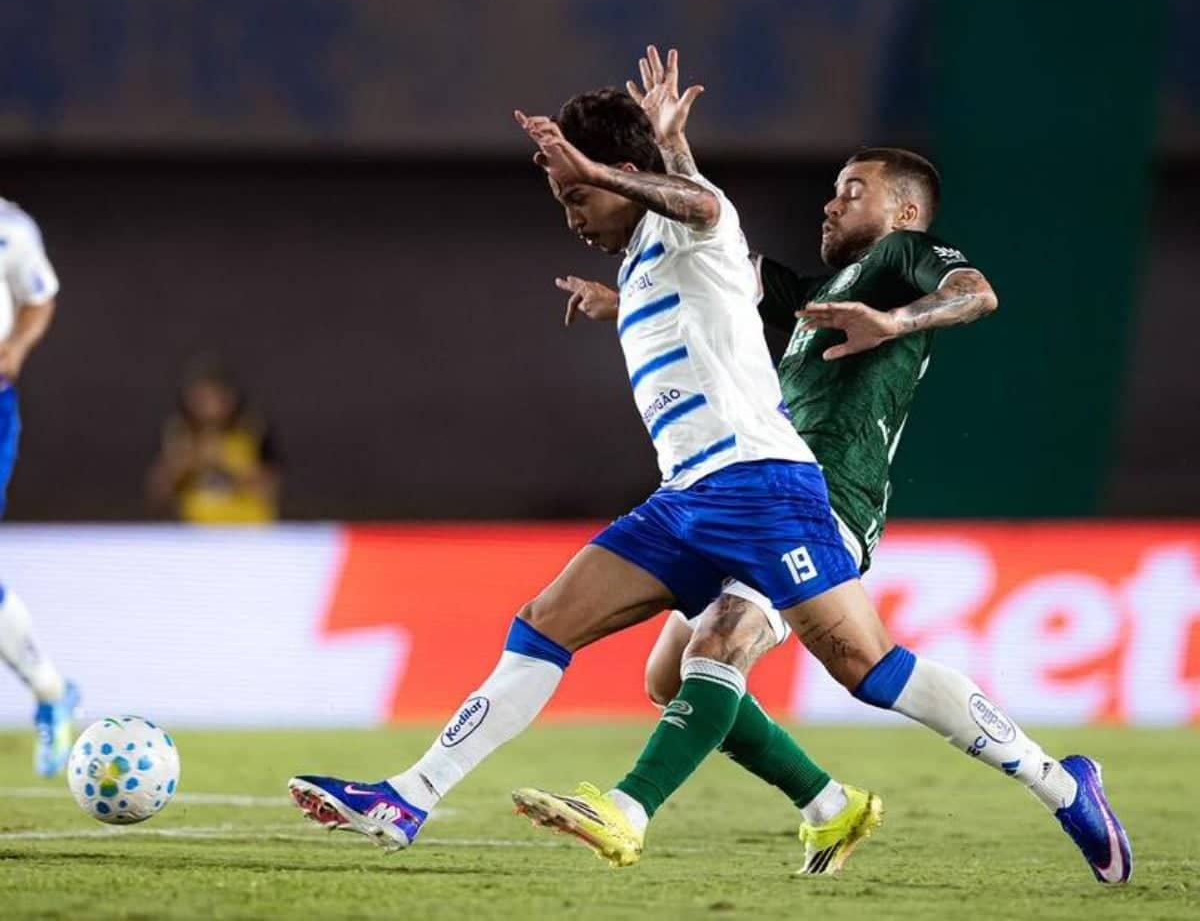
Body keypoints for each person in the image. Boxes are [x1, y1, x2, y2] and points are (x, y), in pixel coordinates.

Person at [288, 71, 1129, 888]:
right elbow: (718, 286)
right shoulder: (759, 280)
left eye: (578, 197)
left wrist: (897, 318)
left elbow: (717, 214)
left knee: (846, 665)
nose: (832, 200)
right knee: (559, 627)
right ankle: (410, 797)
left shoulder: (898, 253)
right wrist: (648, 203)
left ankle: (1055, 786)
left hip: (783, 490)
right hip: (690, 494)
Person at [0, 196, 80, 776]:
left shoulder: (9, 228)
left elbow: (39, 298)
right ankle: (52, 688)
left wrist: (17, 347)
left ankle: (51, 691)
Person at [146, 358, 282, 523]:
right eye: (202, 398)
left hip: (248, 531)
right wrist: (188, 461)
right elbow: (158, 492)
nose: (210, 406)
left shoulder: (253, 429)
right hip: (194, 534)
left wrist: (226, 462)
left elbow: (270, 490)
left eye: (216, 397)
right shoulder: (179, 433)